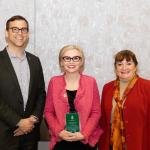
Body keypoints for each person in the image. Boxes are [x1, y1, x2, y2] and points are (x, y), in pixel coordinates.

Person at [0, 15, 46, 150]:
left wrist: (32, 120)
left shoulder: (35, 61)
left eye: (23, 29)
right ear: (6, 32)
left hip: (30, 135)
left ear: (27, 33)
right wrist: (18, 122)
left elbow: (41, 94)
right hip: (5, 135)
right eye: (15, 29)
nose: (20, 33)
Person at [44, 45, 102, 150]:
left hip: (85, 140)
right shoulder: (54, 82)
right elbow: (48, 112)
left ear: (81, 62)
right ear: (61, 62)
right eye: (67, 58)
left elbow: (96, 112)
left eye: (76, 58)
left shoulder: (91, 82)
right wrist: (59, 132)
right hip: (62, 139)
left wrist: (84, 134)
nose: (71, 62)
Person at [98, 50, 150, 150]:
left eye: (129, 63)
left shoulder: (147, 87)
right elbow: (103, 121)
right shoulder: (107, 88)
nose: (124, 68)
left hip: (139, 144)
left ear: (135, 67)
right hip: (111, 145)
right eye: (120, 64)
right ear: (115, 68)